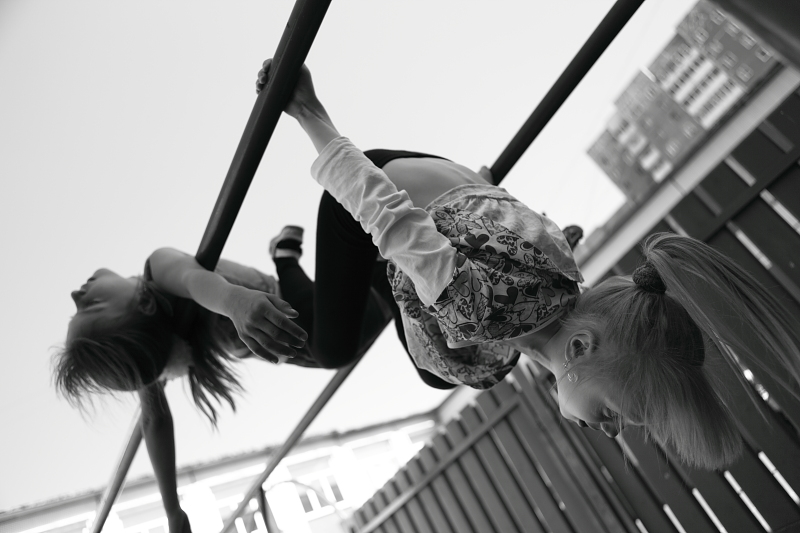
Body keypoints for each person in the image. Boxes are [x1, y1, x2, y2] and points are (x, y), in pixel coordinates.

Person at [257, 58, 800, 471]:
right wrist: (308, 110)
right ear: (581, 349)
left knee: (477, 362)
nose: (611, 430)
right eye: (616, 412)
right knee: (335, 348)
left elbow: (503, 241)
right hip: (376, 195)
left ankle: (383, 283)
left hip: (442, 177)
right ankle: (285, 258)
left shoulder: (561, 290)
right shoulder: (490, 313)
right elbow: (388, 217)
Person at [55, 250, 363, 533]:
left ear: (145, 303)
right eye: (89, 307)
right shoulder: (155, 341)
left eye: (81, 308)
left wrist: (233, 301)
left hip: (285, 305)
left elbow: (193, 280)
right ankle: (290, 255)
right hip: (292, 345)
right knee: (345, 343)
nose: (74, 295)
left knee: (340, 345)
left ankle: (284, 254)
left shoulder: (158, 270)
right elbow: (154, 419)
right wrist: (173, 511)